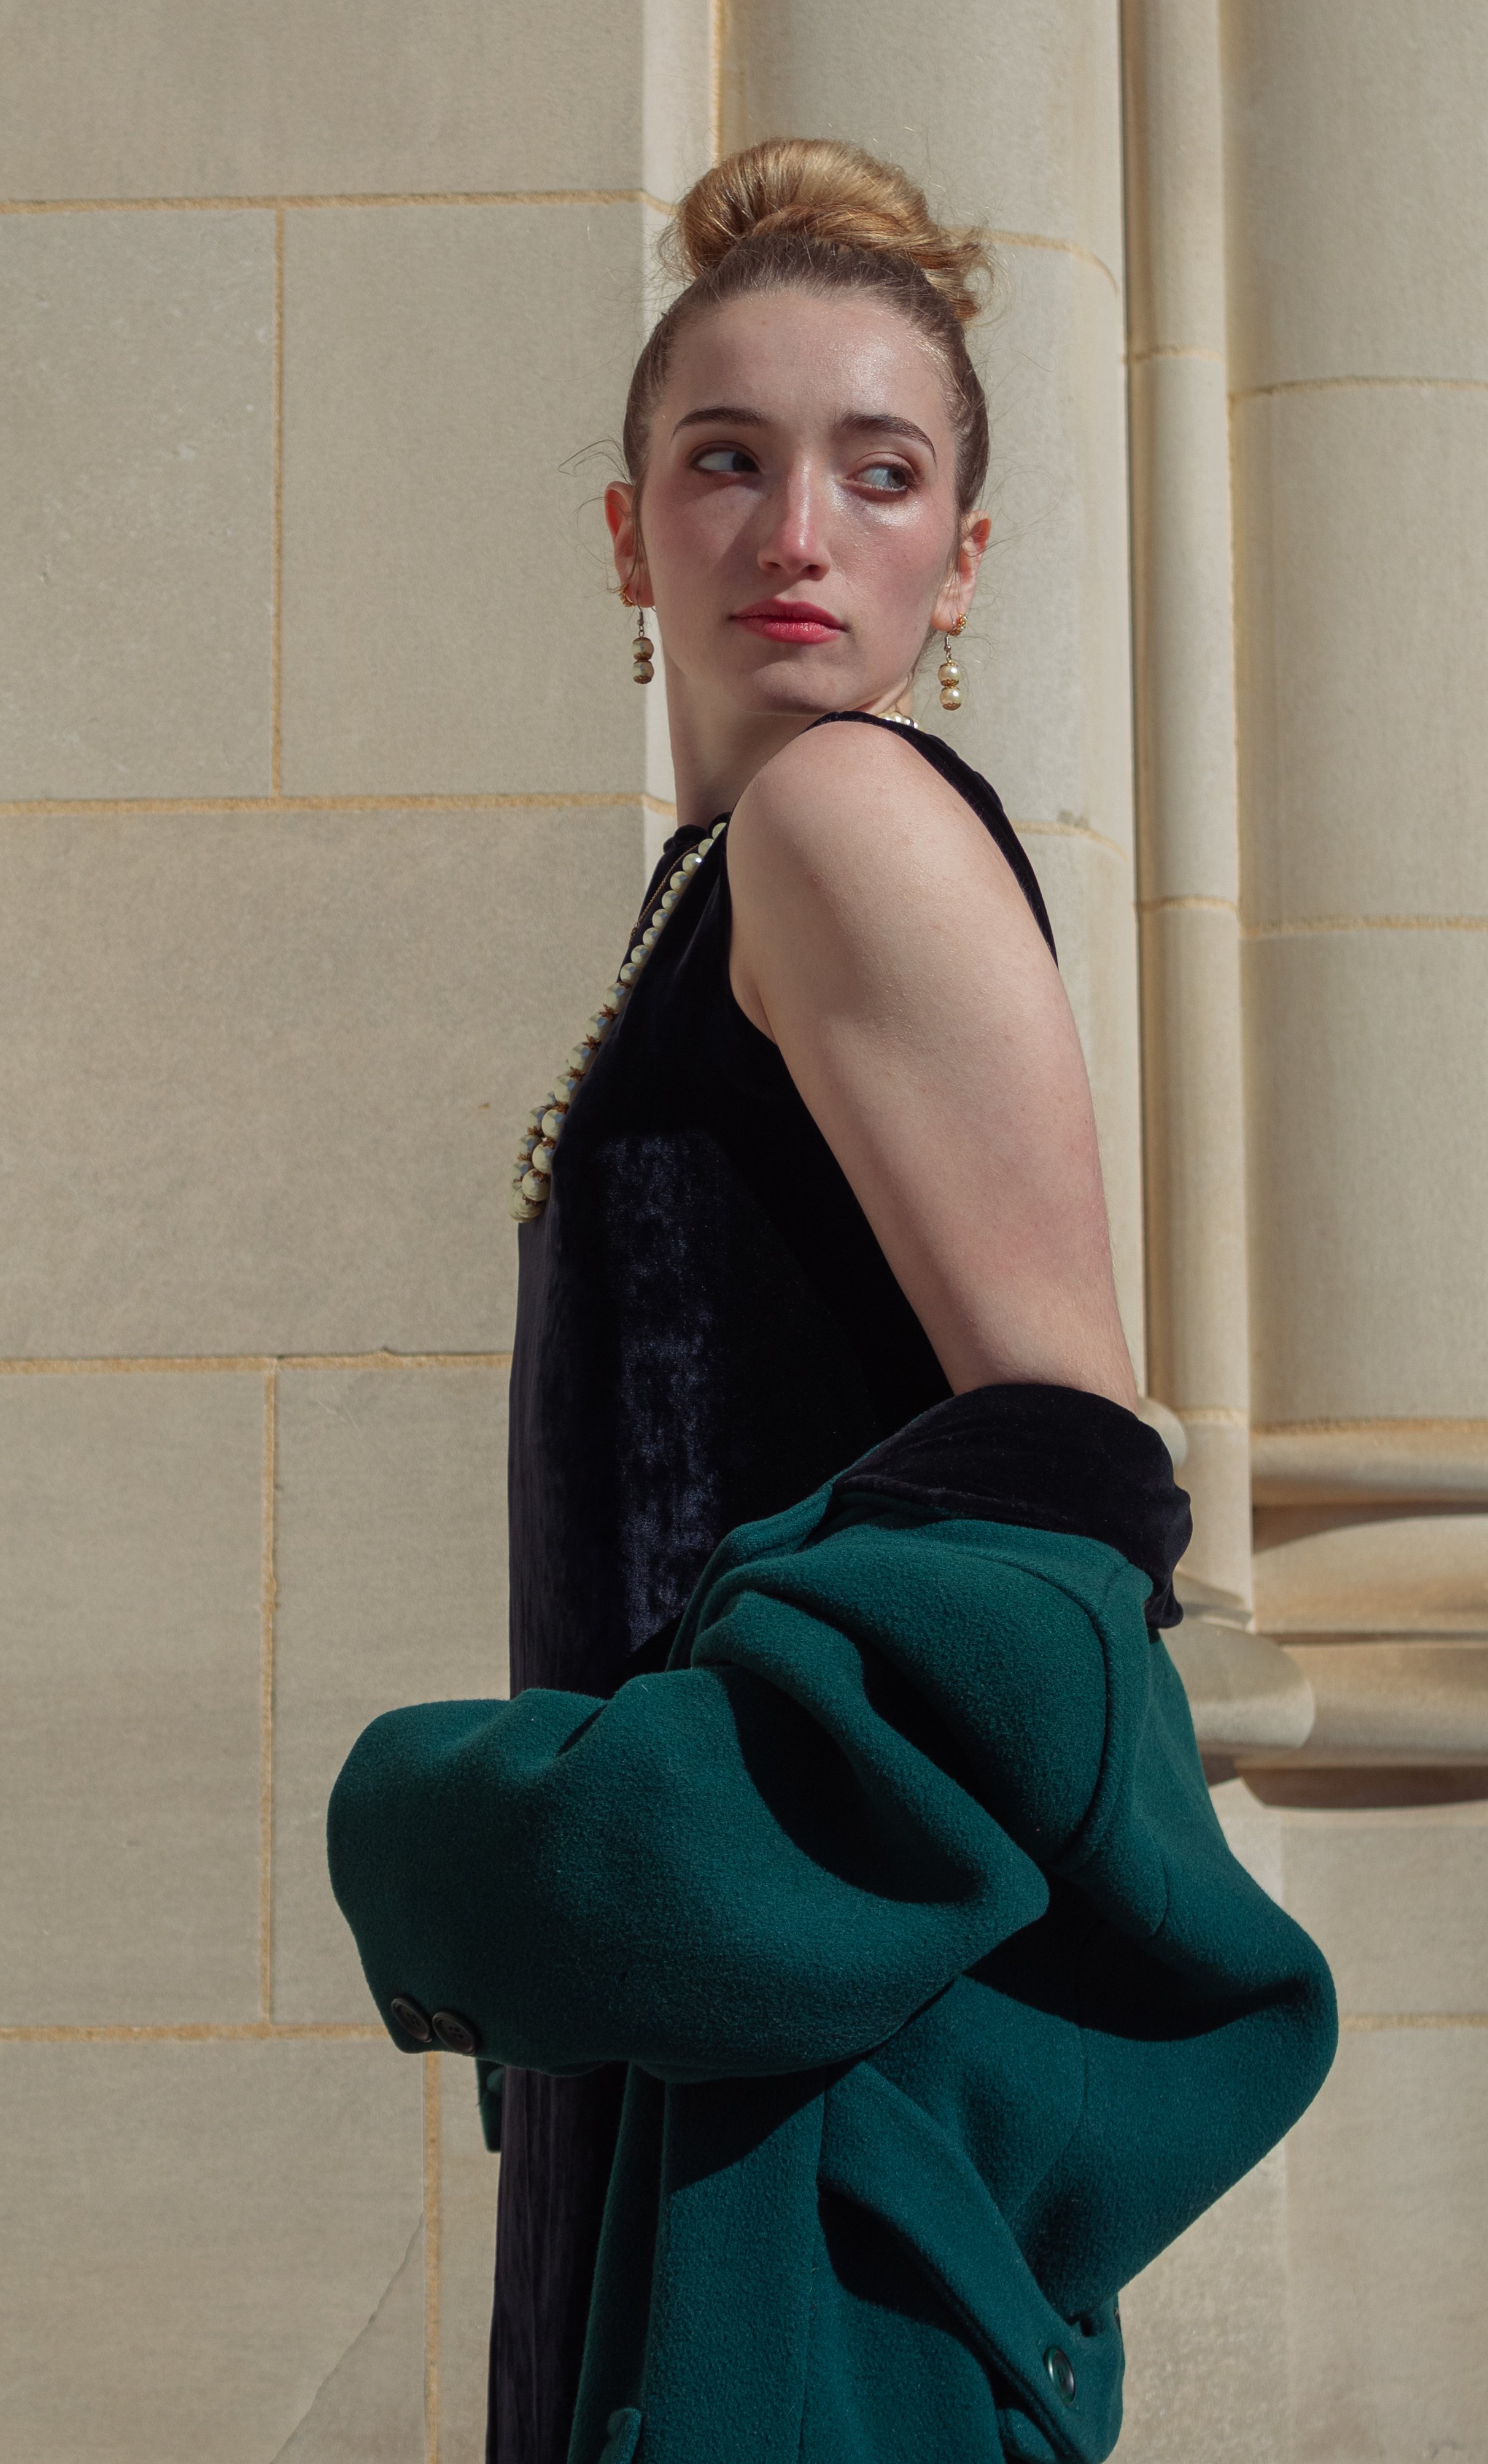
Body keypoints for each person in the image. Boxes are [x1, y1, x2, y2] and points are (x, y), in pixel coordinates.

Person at [329, 139, 1335, 2464]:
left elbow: (1068, 1489)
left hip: (796, 2067)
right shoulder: (720, 876)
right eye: (726, 460)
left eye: (878, 474)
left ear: (959, 560)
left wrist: (576, 1841)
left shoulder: (837, 815)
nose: (796, 531)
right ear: (628, 536)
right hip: (712, 2038)